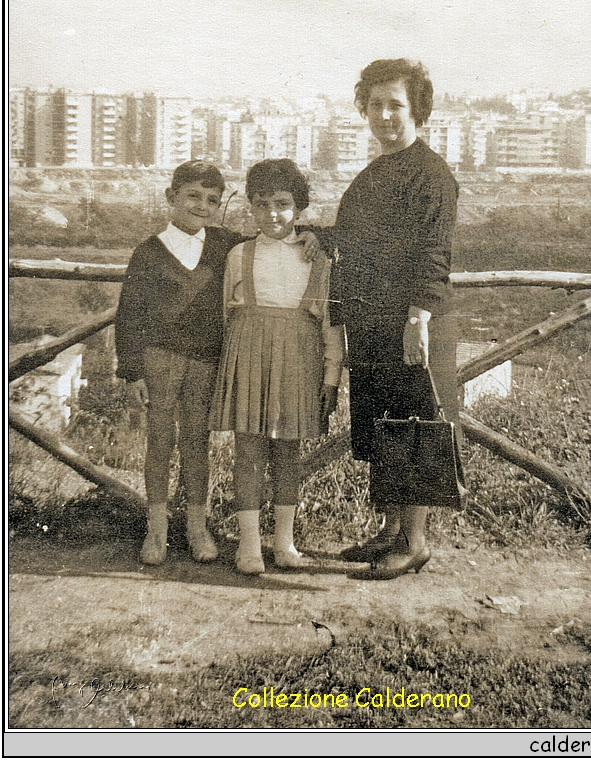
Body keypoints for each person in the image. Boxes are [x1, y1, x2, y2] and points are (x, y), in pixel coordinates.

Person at [113, 159, 320, 566]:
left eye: (211, 199)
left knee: (195, 443)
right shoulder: (149, 250)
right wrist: (131, 368)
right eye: (192, 196)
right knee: (158, 442)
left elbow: (275, 230)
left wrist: (315, 236)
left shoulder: (224, 244)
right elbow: (129, 313)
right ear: (171, 198)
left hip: (205, 360)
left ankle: (196, 527)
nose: (202, 206)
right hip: (159, 360)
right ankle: (155, 531)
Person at [317, 59, 461, 579]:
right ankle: (390, 531)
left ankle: (414, 541)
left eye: (395, 104)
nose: (384, 115)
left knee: (416, 423)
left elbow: (433, 253)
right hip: (374, 322)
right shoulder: (375, 172)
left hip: (412, 323)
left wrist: (417, 318)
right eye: (375, 104)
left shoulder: (431, 175)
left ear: (417, 109)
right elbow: (355, 243)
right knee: (384, 423)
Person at [210, 159, 344, 575]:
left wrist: (331, 376)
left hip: (299, 362)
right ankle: (249, 546)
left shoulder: (317, 258)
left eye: (282, 204)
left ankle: (284, 542)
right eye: (262, 204)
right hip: (248, 357)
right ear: (250, 208)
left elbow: (329, 322)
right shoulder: (238, 255)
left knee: (288, 453)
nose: (272, 214)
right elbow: (224, 315)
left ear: (299, 207)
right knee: (248, 452)